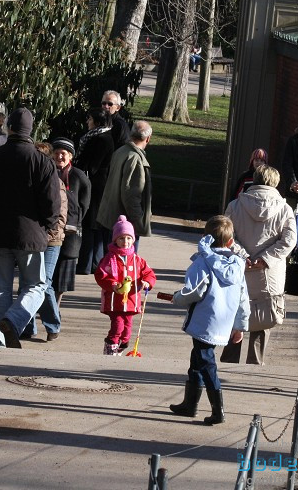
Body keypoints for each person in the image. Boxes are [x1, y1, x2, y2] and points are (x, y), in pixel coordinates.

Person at [0, 107, 61, 349]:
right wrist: (47, 226)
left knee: (0, 288)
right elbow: (51, 202)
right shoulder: (41, 161)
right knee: (36, 284)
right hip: (31, 233)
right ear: (31, 130)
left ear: (8, 128)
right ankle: (13, 321)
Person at [165, 215, 249, 425]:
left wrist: (177, 298)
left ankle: (217, 410)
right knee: (197, 361)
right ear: (231, 242)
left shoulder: (202, 262)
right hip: (223, 322)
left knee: (206, 362)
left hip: (204, 321)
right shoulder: (238, 264)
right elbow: (243, 297)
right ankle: (189, 404)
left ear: (204, 237)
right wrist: (240, 325)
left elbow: (194, 291)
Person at [221, 165, 296, 365]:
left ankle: (229, 360)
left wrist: (243, 255)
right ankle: (255, 362)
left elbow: (227, 237)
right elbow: (289, 240)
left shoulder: (235, 205)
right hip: (269, 273)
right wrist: (265, 259)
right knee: (263, 317)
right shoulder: (284, 208)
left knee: (235, 310)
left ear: (254, 180)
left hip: (239, 268)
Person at [22, 142, 68, 342]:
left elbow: (60, 215)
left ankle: (53, 323)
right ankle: (27, 325)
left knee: (44, 283)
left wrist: (46, 233)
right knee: (26, 283)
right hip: (32, 239)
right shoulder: (27, 180)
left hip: (50, 240)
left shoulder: (55, 182)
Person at [95, 215, 156, 355]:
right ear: (115, 239)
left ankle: (121, 346)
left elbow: (149, 273)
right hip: (114, 301)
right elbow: (100, 275)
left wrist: (147, 282)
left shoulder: (137, 260)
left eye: (129, 238)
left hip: (131, 301)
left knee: (127, 329)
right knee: (118, 325)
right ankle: (110, 348)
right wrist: (112, 284)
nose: (125, 242)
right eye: (121, 238)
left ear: (133, 240)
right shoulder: (110, 259)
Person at [50, 138, 90, 322]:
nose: (59, 156)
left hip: (71, 233)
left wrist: (75, 221)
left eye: (63, 153)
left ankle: (55, 307)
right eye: (57, 152)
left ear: (70, 156)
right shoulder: (48, 172)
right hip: (49, 233)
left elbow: (85, 204)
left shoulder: (79, 177)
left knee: (62, 279)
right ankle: (49, 308)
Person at [97, 120, 153, 249]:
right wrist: (139, 222)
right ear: (148, 138)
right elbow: (131, 194)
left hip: (112, 218)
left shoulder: (121, 151)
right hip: (125, 225)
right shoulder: (135, 158)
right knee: (125, 265)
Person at [75, 109, 115, 274]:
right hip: (99, 185)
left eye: (90, 119)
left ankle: (85, 264)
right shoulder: (103, 137)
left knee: (90, 225)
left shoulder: (99, 139)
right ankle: (94, 263)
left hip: (94, 186)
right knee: (95, 226)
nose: (87, 122)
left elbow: (92, 165)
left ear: (97, 122)